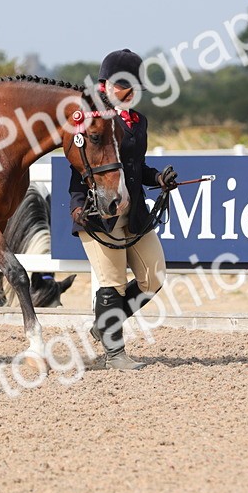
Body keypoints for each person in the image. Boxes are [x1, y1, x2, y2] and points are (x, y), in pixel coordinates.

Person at [70, 49, 178, 370]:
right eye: (125, 87)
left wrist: (157, 178)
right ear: (106, 84)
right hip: (98, 210)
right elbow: (79, 164)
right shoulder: (91, 118)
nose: (131, 94)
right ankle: (114, 353)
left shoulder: (138, 121)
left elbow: (135, 166)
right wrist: (79, 206)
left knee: (153, 275)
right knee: (113, 281)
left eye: (134, 88)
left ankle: (105, 323)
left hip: (133, 211)